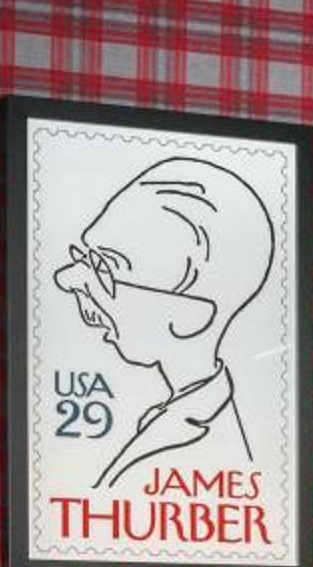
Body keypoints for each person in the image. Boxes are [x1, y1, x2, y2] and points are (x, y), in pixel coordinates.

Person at [49, 157, 274, 489]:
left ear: (188, 318)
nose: (68, 278)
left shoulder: (205, 455)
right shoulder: (172, 420)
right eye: (84, 256)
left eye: (105, 267)